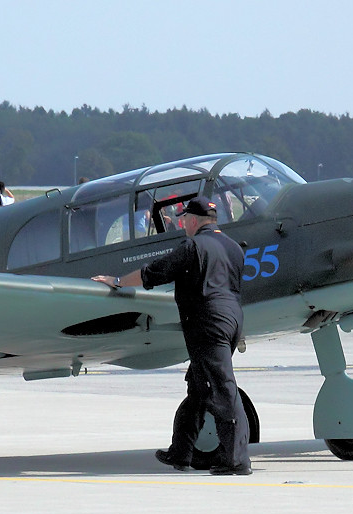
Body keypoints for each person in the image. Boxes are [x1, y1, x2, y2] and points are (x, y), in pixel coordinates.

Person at [92, 196, 250, 475]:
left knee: (223, 388)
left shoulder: (193, 245)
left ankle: (237, 461)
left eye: (184, 220)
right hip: (233, 318)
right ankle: (181, 452)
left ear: (192, 221)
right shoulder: (234, 246)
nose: (182, 225)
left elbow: (156, 271)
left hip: (208, 322)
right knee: (200, 387)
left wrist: (117, 282)